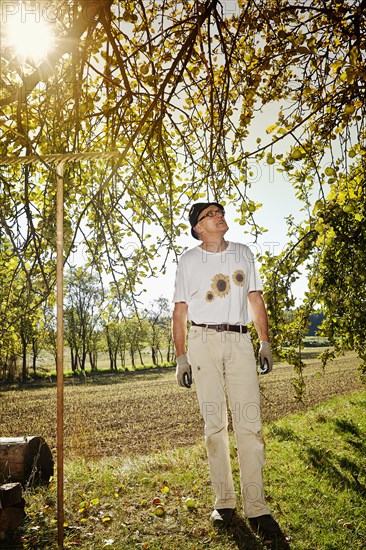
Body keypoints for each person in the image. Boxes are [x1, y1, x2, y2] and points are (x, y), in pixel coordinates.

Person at [172, 202, 282, 542]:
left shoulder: (243, 252)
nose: (219, 215)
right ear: (198, 228)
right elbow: (179, 310)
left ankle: (257, 507)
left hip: (239, 341)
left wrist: (264, 342)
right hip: (202, 340)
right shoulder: (188, 261)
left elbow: (255, 298)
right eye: (211, 214)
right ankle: (224, 502)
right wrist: (181, 356)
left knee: (251, 424)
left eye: (220, 212)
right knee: (214, 424)